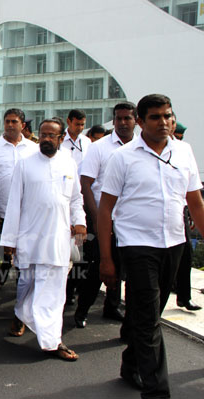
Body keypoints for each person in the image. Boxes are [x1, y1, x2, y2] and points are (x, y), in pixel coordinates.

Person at [99, 94, 204, 398]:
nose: (164, 123)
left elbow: (194, 201)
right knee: (147, 319)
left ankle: (131, 364)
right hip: (137, 245)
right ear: (141, 122)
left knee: (150, 314)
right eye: (156, 117)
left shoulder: (184, 152)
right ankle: (157, 392)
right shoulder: (123, 157)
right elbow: (106, 209)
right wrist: (107, 258)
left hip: (174, 243)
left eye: (168, 116)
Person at [1, 118, 86, 361]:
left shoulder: (69, 164)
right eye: (43, 135)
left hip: (58, 240)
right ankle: (23, 313)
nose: (47, 139)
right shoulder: (25, 165)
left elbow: (76, 199)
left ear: (61, 139)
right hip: (29, 238)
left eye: (52, 135)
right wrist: (10, 240)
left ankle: (52, 341)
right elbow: (14, 203)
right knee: (27, 287)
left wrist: (80, 221)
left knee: (53, 294)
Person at [74, 102, 137, 329]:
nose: (122, 123)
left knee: (126, 269)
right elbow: (86, 183)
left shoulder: (142, 148)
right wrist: (97, 217)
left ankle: (113, 307)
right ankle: (82, 310)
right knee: (98, 268)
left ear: (136, 121)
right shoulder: (99, 147)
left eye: (127, 118)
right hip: (102, 218)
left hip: (131, 223)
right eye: (118, 118)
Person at [0, 108, 38, 310]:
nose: (9, 125)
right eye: (7, 121)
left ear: (22, 125)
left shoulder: (33, 149)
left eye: (14, 121)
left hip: (25, 216)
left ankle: (21, 300)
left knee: (23, 261)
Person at [60, 109, 90, 306]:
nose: (79, 128)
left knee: (76, 253)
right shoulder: (58, 143)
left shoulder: (87, 144)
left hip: (78, 198)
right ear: (69, 122)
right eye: (76, 124)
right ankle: (64, 291)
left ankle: (71, 290)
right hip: (61, 200)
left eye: (82, 124)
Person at [171, 121, 201, 311]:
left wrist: (190, 215)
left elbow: (191, 190)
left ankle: (184, 296)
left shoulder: (183, 150)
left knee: (185, 256)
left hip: (180, 210)